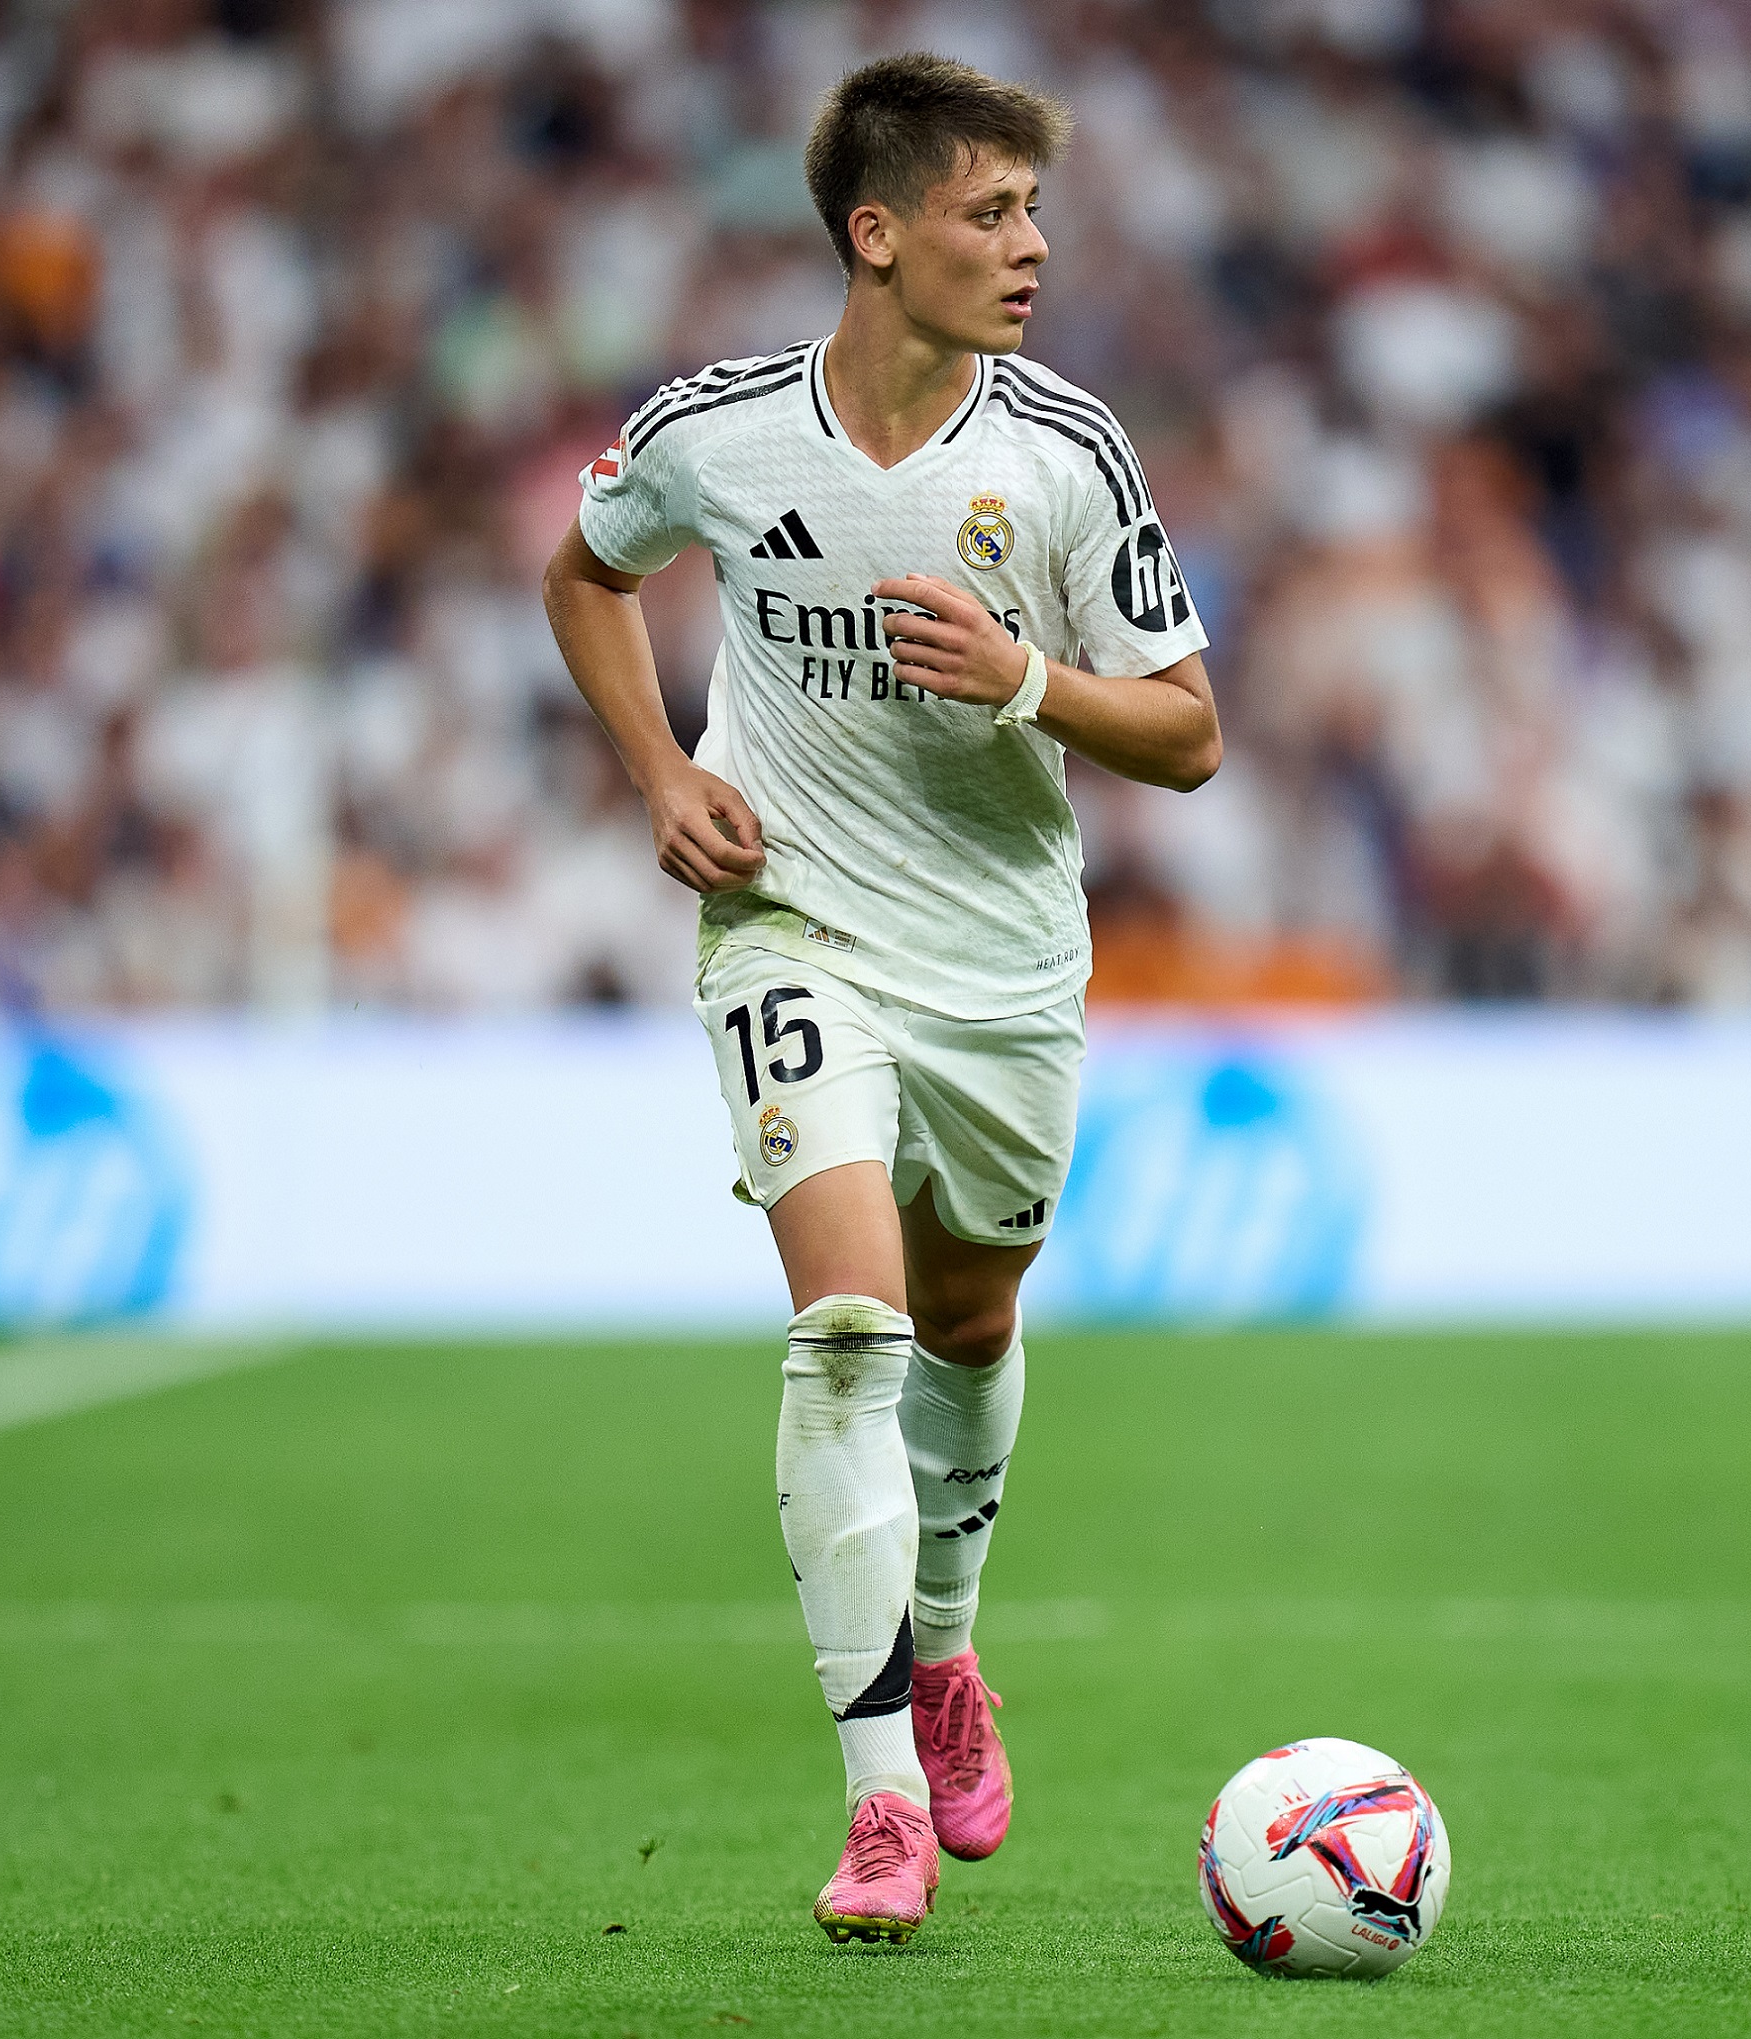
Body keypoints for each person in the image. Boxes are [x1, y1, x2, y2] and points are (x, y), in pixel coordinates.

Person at [541, 51, 1221, 1944]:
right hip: (794, 930)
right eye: (991, 214)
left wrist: (1021, 682)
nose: (1031, 249)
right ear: (877, 233)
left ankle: (944, 1647)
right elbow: (583, 578)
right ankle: (877, 1805)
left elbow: (1187, 733)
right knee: (846, 1328)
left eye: (1032, 214)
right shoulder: (719, 431)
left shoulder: (1064, 456)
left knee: (967, 1320)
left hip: (1005, 967)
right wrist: (665, 773)